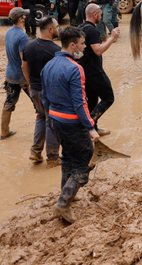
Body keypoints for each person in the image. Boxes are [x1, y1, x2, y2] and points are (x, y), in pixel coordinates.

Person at [41, 26, 100, 224]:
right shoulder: (76, 68)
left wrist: (50, 121)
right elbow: (80, 102)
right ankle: (63, 203)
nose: (84, 47)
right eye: (83, 44)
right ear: (73, 45)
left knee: (67, 157)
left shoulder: (48, 66)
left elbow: (45, 97)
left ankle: (68, 192)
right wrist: (91, 127)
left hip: (55, 121)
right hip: (72, 123)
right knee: (84, 163)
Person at [22, 16, 61, 167]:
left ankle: (36, 151)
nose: (58, 30)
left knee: (40, 117)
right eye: (57, 27)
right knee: (52, 121)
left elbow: (23, 67)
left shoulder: (28, 46)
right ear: (50, 29)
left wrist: (30, 84)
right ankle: (52, 157)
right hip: (49, 92)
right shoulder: (56, 51)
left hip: (34, 90)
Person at [79, 4, 120, 136]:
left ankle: (93, 128)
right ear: (95, 14)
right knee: (108, 98)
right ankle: (88, 124)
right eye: (100, 15)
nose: (101, 17)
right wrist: (112, 37)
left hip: (83, 72)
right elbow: (98, 50)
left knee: (92, 101)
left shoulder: (80, 27)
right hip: (94, 71)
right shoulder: (92, 30)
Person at [0, 8, 32, 140]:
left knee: (9, 103)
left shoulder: (8, 32)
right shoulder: (22, 36)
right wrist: (30, 80)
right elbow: (24, 61)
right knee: (39, 102)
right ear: (21, 19)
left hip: (10, 74)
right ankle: (48, 130)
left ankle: (4, 132)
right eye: (24, 15)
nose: (26, 17)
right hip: (22, 76)